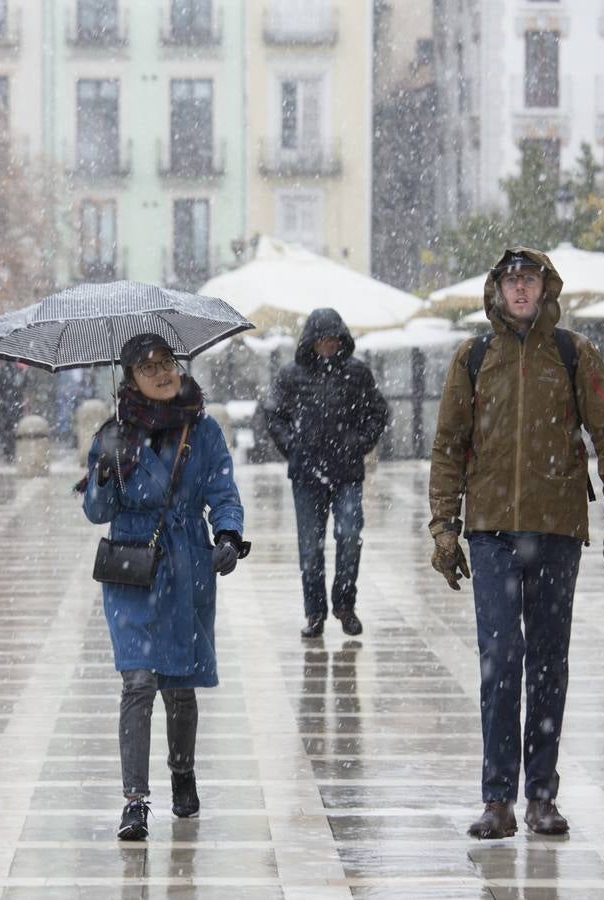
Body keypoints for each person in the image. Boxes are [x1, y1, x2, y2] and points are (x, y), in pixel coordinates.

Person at [427, 247, 604, 840]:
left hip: (556, 530)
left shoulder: (574, 354)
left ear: (546, 288)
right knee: (501, 662)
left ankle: (541, 796)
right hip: (492, 529)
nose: (521, 290)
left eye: (531, 280)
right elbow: (447, 447)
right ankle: (497, 799)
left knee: (548, 663)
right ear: (497, 290)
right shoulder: (473, 358)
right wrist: (444, 527)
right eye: (512, 280)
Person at [79, 333, 250, 841]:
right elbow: (95, 512)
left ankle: (182, 772)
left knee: (179, 683)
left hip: (186, 565)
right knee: (138, 683)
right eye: (146, 366)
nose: (160, 371)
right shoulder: (114, 433)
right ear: (128, 379)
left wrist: (228, 535)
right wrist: (106, 473)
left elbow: (223, 489)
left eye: (166, 362)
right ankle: (134, 801)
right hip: (133, 568)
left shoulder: (203, 428)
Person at [265, 308, 389, 638]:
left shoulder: (358, 373)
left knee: (349, 536)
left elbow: (378, 412)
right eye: (322, 340)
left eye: (333, 339)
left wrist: (360, 442)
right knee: (311, 546)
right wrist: (293, 446)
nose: (328, 346)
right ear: (310, 342)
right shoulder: (290, 375)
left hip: (347, 472)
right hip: (306, 474)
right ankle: (315, 612)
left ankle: (345, 604)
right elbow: (273, 415)